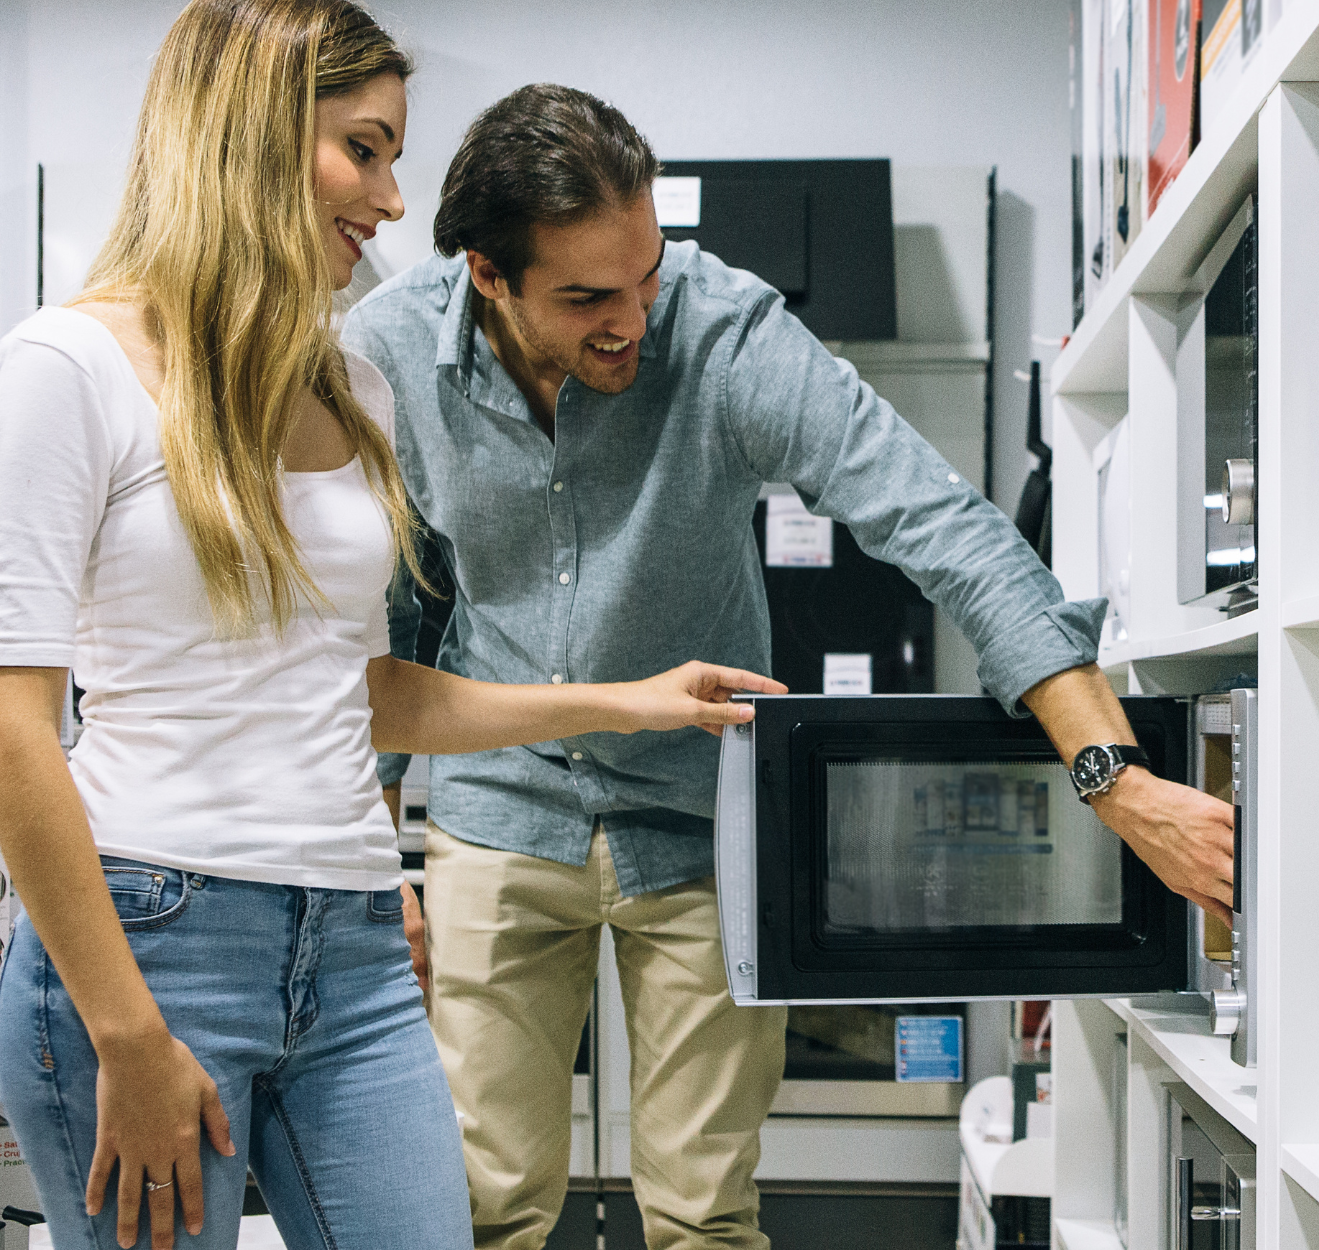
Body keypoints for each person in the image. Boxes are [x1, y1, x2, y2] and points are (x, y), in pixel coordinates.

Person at [343, 84, 1238, 1250]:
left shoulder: (722, 332)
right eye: (587, 298)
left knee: (704, 1213)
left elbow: (945, 527)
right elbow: (396, 617)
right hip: (500, 814)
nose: (632, 319)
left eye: (646, 274)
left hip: (702, 823)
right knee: (484, 1204)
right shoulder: (389, 354)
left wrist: (1114, 777)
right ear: (488, 276)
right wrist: (374, 852)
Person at [0, 7, 782, 1250]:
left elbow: (365, 692)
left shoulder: (349, 384)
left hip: (355, 947)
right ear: (248, 135)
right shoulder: (66, 367)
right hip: (153, 937)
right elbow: (12, 738)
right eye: (362, 150)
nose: (391, 195)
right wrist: (125, 1029)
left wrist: (631, 697)